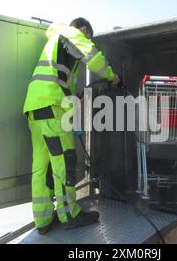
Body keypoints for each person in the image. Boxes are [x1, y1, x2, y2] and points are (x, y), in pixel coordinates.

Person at [23, 18, 120, 234]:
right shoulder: (71, 34)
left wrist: (74, 96)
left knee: (41, 167)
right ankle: (70, 214)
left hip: (35, 108)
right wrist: (113, 78)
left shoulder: (57, 42)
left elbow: (59, 80)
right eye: (88, 37)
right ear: (84, 29)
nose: (87, 40)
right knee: (64, 162)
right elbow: (94, 59)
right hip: (53, 109)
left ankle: (43, 220)